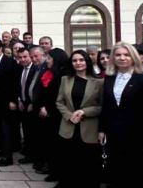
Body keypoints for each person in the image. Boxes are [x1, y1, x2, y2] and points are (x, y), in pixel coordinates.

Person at [98, 43, 143, 188]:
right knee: (116, 173)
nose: (122, 58)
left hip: (137, 135)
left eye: (126, 55)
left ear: (133, 57)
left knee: (136, 174)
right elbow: (107, 105)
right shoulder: (109, 78)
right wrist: (102, 129)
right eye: (118, 55)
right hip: (114, 133)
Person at [55, 50, 102, 188]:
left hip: (89, 128)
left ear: (87, 61)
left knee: (87, 161)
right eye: (74, 60)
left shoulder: (99, 82)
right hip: (68, 126)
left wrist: (84, 112)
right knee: (69, 160)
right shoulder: (65, 80)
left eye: (81, 60)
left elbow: (102, 106)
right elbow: (59, 102)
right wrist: (69, 116)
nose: (78, 63)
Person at [33, 48, 68, 182]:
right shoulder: (49, 72)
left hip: (55, 114)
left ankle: (56, 171)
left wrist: (48, 108)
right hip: (45, 112)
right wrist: (42, 106)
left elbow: (58, 96)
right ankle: (50, 167)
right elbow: (44, 92)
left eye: (49, 58)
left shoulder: (62, 76)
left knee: (55, 144)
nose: (47, 61)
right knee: (48, 143)